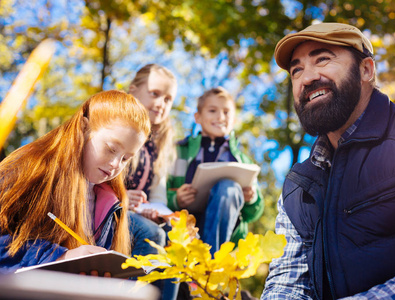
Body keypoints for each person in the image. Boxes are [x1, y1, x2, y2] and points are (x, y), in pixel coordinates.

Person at [261, 22, 395, 299]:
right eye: (296, 70)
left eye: (323, 59)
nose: (307, 77)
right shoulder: (297, 187)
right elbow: (287, 282)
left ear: (366, 70)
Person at [0, 90, 150, 274]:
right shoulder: (29, 170)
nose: (115, 164)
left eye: (126, 158)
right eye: (111, 149)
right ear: (84, 127)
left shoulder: (111, 201)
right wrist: (59, 257)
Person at [166, 87, 264, 254]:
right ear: (197, 117)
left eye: (226, 112)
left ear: (233, 120)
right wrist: (176, 200)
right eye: (212, 110)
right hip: (184, 230)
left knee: (229, 188)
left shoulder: (242, 161)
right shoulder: (178, 152)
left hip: (225, 236)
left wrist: (250, 199)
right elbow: (160, 192)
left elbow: (254, 212)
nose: (220, 117)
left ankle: (210, 266)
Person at [125, 64, 177, 258]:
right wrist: (122, 197)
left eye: (168, 99)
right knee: (152, 234)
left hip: (138, 212)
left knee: (179, 238)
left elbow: (158, 194)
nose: (161, 103)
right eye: (154, 94)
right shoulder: (118, 126)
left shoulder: (159, 142)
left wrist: (155, 210)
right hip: (109, 208)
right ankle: (138, 289)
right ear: (133, 91)